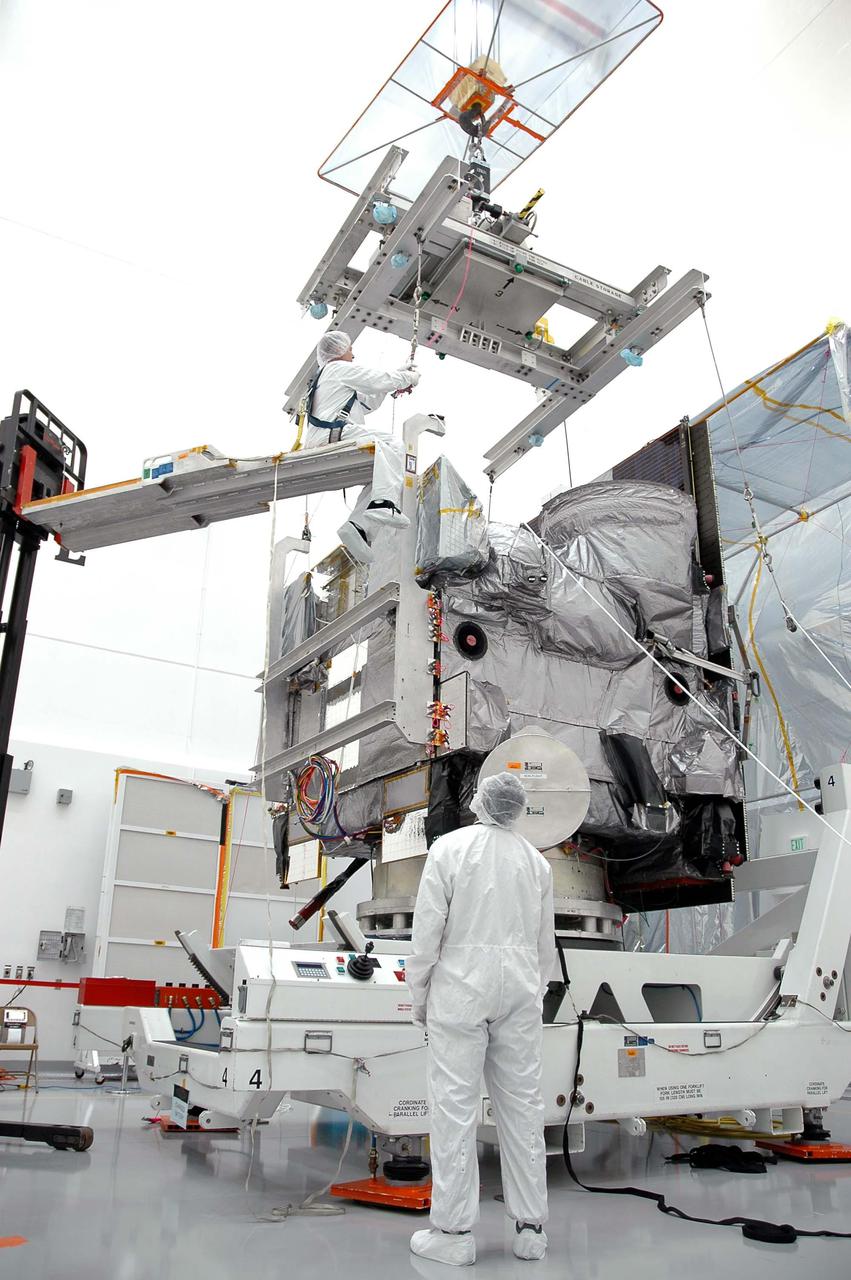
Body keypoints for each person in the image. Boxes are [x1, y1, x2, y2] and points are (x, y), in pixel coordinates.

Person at [406, 772, 557, 1266]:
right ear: (518, 810)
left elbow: (427, 934)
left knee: (454, 1110)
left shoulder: (449, 849)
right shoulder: (537, 864)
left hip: (460, 990)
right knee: (523, 1108)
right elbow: (544, 945)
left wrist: (419, 994)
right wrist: (533, 994)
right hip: (519, 989)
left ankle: (453, 1234)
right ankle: (531, 1229)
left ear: (480, 801)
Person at [304, 330, 423, 565]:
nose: (352, 354)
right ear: (338, 352)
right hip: (333, 434)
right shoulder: (337, 369)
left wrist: (397, 378)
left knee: (383, 470)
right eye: (349, 349)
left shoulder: (331, 378)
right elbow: (375, 379)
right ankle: (382, 504)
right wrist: (408, 378)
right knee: (393, 445)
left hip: (330, 434)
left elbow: (367, 400)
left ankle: (358, 527)